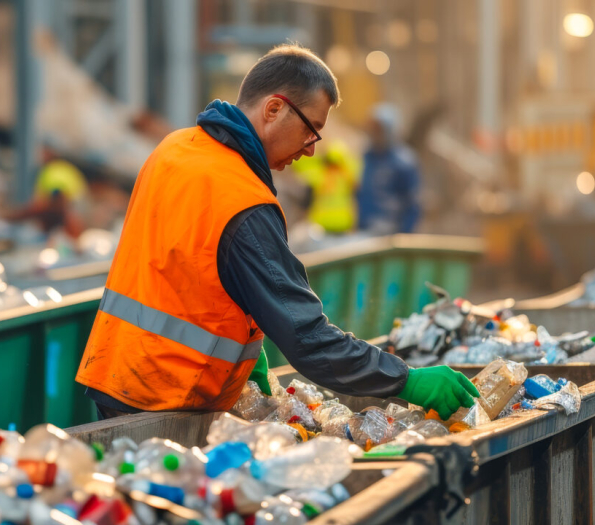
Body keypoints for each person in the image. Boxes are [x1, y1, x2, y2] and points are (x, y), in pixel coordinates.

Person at [75, 45, 477, 419]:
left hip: (114, 376)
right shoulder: (242, 200)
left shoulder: (174, 149)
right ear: (273, 109)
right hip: (166, 397)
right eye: (311, 130)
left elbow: (179, 265)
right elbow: (308, 338)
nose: (311, 149)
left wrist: (242, 349)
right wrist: (406, 380)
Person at [357, 103, 422, 234]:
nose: (374, 133)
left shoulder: (404, 162)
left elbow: (413, 203)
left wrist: (405, 234)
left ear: (390, 130)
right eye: (372, 129)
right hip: (365, 231)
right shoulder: (367, 157)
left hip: (392, 234)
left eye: (378, 129)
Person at [292, 140, 360, 234]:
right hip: (329, 225)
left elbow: (300, 163)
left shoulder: (326, 174)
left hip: (334, 224)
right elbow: (300, 162)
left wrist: (323, 152)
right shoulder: (343, 176)